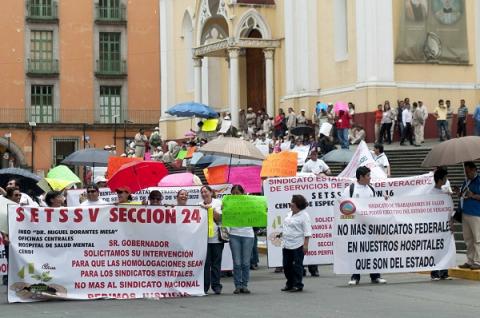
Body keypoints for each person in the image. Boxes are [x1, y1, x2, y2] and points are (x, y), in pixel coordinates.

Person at [343, 167, 387, 285]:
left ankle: (375, 276)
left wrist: (384, 200)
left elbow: (374, 206)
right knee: (357, 250)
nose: (370, 177)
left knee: (372, 250)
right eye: (368, 175)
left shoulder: (371, 189)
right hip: (356, 226)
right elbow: (343, 205)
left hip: (370, 226)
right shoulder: (350, 189)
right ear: (361, 177)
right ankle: (355, 277)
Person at [279, 195, 311, 292]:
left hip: (298, 244)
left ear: (298, 205)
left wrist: (306, 245)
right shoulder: (289, 214)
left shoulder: (304, 216)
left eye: (293, 202)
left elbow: (307, 232)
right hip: (286, 243)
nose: (291, 203)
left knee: (297, 265)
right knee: (286, 265)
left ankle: (298, 284)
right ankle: (290, 283)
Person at [227, 185, 255, 294]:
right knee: (237, 262)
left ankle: (245, 285)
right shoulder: (228, 204)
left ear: (242, 193)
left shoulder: (250, 203)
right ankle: (238, 285)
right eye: (233, 193)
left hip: (248, 234)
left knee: (246, 262)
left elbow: (257, 213)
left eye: (237, 193)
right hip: (234, 234)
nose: (235, 195)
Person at [428, 168, 452, 280]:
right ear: (440, 180)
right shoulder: (430, 194)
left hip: (445, 226)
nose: (446, 180)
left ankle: (444, 272)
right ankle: (434, 272)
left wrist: (450, 222)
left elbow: (449, 210)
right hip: (434, 227)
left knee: (445, 249)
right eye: (445, 178)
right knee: (435, 249)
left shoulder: (445, 194)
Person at [456, 162, 480, 270]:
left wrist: (473, 195)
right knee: (468, 238)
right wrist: (459, 193)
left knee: (477, 238)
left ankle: (478, 260)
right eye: (465, 171)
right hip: (465, 211)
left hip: (475, 212)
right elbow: (464, 194)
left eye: (468, 171)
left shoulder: (478, 180)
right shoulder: (466, 181)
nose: (466, 173)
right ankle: (470, 260)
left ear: (474, 170)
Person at [200, 185, 224, 294]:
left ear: (211, 192)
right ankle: (204, 286)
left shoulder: (218, 203)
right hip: (203, 240)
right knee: (205, 264)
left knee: (216, 263)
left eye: (206, 191)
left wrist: (210, 209)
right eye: (202, 192)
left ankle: (216, 285)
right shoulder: (198, 205)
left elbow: (220, 218)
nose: (204, 194)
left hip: (216, 239)